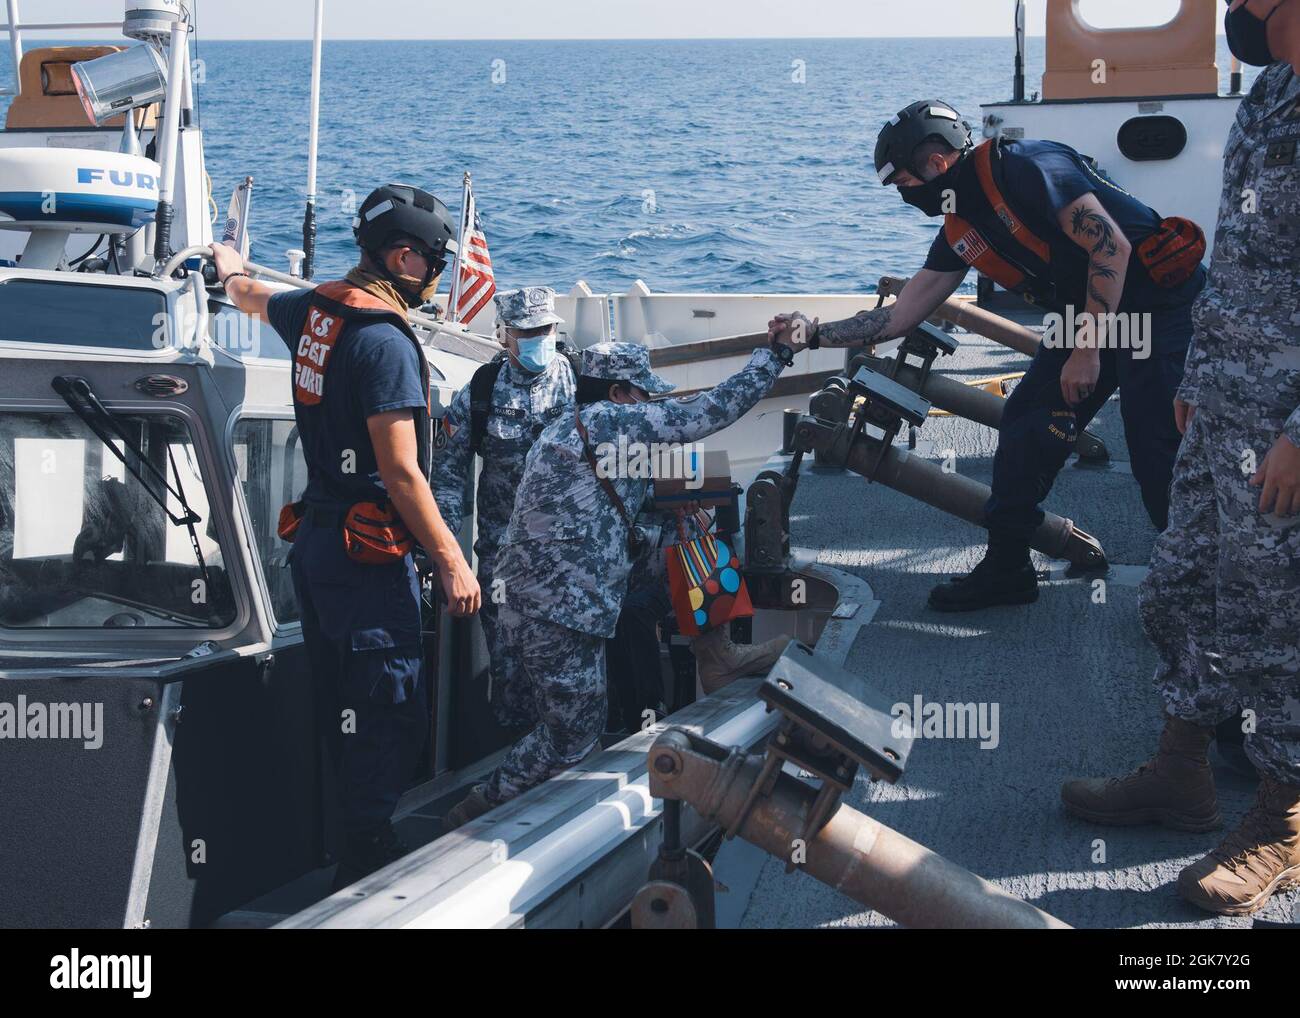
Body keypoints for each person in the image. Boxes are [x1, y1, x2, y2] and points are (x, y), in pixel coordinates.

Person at [770, 99, 1207, 611]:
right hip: (1084, 313)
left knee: (1154, 442)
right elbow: (900, 316)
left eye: (904, 183)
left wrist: (1086, 352)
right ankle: (1008, 569)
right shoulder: (962, 228)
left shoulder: (1029, 167)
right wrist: (814, 334)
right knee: (1026, 427)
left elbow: (1111, 250)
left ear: (935, 164)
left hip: (1158, 307)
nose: (904, 197)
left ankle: (1195, 580)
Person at [1062, 0, 1300, 917]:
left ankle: (1283, 819)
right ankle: (1180, 775)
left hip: (1284, 429)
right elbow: (1241, 256)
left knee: (1279, 622)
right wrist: (1198, 374)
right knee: (1183, 588)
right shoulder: (1272, 93)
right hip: (1226, 406)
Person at [210, 183, 481, 888]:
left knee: (342, 701)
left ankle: (340, 839)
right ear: (400, 257)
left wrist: (226, 261)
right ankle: (368, 858)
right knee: (390, 708)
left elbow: (247, 293)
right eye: (431, 261)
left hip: (318, 550)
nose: (436, 275)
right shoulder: (383, 343)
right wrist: (452, 560)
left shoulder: (317, 309)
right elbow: (400, 472)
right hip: (368, 558)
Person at [443, 336, 799, 827]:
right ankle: (480, 809)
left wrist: (682, 499)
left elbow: (630, 490)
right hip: (554, 610)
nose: (648, 405)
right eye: (642, 395)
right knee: (571, 738)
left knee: (690, 532)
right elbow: (709, 413)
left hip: (573, 590)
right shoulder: (608, 422)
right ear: (616, 394)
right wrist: (775, 354)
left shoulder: (582, 429)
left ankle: (719, 658)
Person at [429, 286, 578, 731]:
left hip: (571, 560)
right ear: (504, 336)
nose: (538, 338)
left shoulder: (581, 384)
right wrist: (446, 555)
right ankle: (517, 769)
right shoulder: (481, 392)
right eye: (526, 331)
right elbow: (449, 476)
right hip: (504, 562)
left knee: (569, 674)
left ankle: (567, 766)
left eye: (545, 329)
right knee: (511, 674)